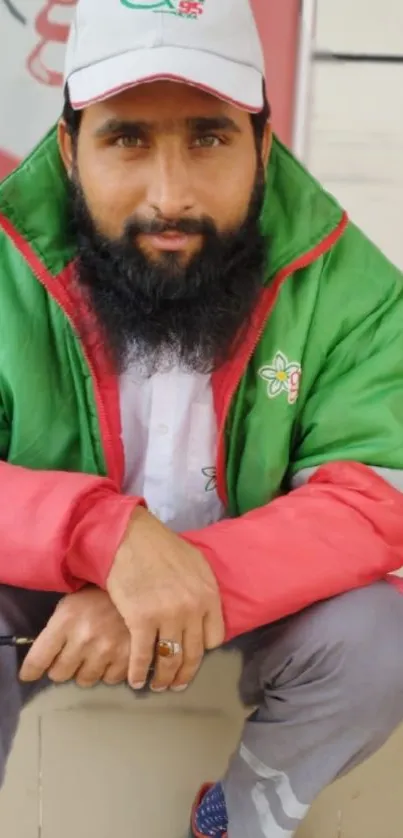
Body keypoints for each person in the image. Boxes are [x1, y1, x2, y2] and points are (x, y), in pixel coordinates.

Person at [1, 0, 403, 835]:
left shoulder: (349, 284)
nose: (170, 194)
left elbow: (375, 488)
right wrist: (103, 538)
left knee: (383, 642)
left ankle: (235, 820)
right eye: (127, 140)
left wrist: (182, 580)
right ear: (70, 149)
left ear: (262, 143)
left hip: (254, 599)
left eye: (208, 137)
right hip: (41, 599)